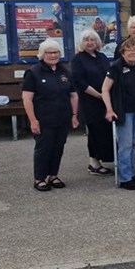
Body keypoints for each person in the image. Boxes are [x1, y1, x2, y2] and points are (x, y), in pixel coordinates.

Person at [22, 38, 79, 192]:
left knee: (58, 146)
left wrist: (74, 115)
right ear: (42, 54)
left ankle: (53, 175)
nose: (53, 55)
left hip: (63, 117)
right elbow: (27, 99)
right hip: (43, 118)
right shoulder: (33, 73)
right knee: (44, 148)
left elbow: (73, 95)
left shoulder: (65, 71)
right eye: (49, 52)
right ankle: (39, 178)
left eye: (55, 52)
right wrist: (33, 120)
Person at [101, 38, 135, 190]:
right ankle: (125, 178)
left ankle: (132, 173)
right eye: (129, 50)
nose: (133, 53)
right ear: (123, 53)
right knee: (125, 145)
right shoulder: (116, 67)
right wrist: (109, 109)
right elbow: (105, 89)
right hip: (123, 111)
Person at [71, 29, 114, 176]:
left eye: (92, 40)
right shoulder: (78, 59)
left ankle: (102, 159)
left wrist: (107, 95)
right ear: (82, 43)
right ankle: (94, 163)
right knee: (95, 132)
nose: (89, 43)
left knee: (105, 131)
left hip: (105, 100)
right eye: (86, 40)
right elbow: (79, 82)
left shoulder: (101, 56)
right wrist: (99, 95)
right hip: (90, 101)